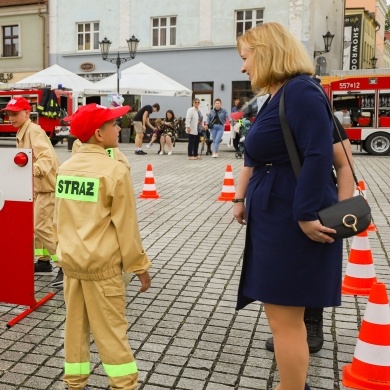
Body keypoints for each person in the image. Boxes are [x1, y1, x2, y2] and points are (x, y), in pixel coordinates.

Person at [232, 22, 348, 390]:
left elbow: (319, 155)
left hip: (290, 217)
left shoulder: (299, 92)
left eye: (245, 57)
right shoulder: (284, 93)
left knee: (285, 321)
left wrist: (304, 214)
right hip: (279, 215)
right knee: (283, 319)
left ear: (265, 53)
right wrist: (242, 196)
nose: (243, 66)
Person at [54, 103, 151, 390]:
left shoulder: (66, 168)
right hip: (102, 268)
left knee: (74, 330)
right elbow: (127, 229)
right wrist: (140, 267)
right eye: (113, 124)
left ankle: (74, 383)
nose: (118, 127)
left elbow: (59, 220)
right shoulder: (114, 172)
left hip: (72, 266)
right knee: (111, 333)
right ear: (98, 133)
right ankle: (124, 385)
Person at [1, 97, 61, 285]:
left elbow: (45, 156)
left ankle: (66, 266)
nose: (11, 117)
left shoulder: (34, 131)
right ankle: (44, 262)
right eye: (9, 114)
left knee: (42, 227)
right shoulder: (23, 130)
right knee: (38, 226)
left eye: (15, 113)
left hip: (46, 186)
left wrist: (32, 172)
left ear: (27, 113)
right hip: (38, 187)